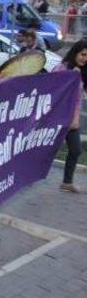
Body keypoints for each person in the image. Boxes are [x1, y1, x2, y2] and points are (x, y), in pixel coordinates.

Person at [52, 40, 87, 193]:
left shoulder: (83, 72)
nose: (85, 58)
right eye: (83, 54)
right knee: (44, 150)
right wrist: (71, 77)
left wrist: (75, 119)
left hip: (71, 120)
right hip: (56, 118)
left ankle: (67, 182)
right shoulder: (61, 68)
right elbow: (51, 91)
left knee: (76, 150)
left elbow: (79, 99)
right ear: (75, 53)